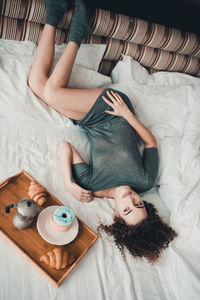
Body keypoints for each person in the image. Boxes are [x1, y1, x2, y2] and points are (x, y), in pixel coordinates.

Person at [27, 0, 177, 263]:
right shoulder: (145, 181)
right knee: (50, 92)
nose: (131, 199)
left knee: (38, 85)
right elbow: (151, 142)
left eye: (128, 209)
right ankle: (77, 32)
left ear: (117, 215)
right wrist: (127, 115)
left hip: (89, 122)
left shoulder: (92, 187)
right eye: (140, 204)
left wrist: (69, 183)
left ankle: (54, 15)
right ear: (147, 204)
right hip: (115, 111)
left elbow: (65, 147)